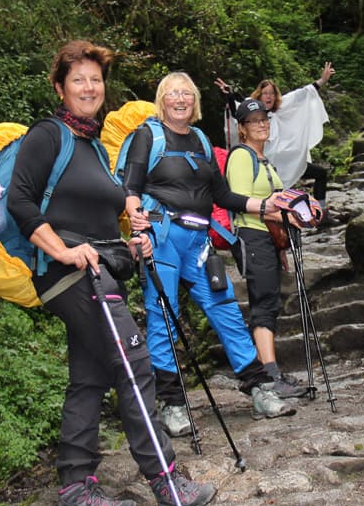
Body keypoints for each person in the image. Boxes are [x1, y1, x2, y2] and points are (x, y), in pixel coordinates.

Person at [8, 41, 215, 506]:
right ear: (60, 87)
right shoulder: (48, 135)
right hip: (68, 274)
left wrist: (133, 246)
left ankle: (76, 487)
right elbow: (19, 202)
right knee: (135, 361)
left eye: (95, 79)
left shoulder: (94, 148)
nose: (89, 87)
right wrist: (60, 248)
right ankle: (166, 481)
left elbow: (100, 221)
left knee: (90, 376)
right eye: (78, 79)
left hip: (99, 271)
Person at [122, 72, 307, 437]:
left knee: (226, 312)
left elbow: (223, 196)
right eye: (173, 93)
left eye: (187, 94)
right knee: (163, 317)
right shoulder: (148, 136)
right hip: (162, 237)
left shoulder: (201, 140)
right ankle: (172, 406)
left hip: (198, 241)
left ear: (195, 101)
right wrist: (136, 225)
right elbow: (130, 186)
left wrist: (267, 204)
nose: (180, 100)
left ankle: (260, 391)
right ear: (162, 99)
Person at [224, 98, 313, 383]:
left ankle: (269, 372)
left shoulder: (264, 160)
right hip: (252, 236)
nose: (262, 124)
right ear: (242, 129)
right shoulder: (241, 156)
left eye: (265, 119)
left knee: (270, 302)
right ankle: (270, 375)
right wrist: (284, 218)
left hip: (267, 240)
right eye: (254, 121)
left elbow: (275, 201)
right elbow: (240, 200)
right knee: (263, 303)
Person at [215, 62, 336, 222]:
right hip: (266, 166)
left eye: (271, 93)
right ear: (259, 95)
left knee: (320, 173)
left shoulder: (283, 107)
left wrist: (322, 80)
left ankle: (321, 213)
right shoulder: (252, 111)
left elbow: (303, 94)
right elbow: (237, 111)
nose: (268, 96)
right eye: (265, 93)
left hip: (289, 161)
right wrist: (229, 95)